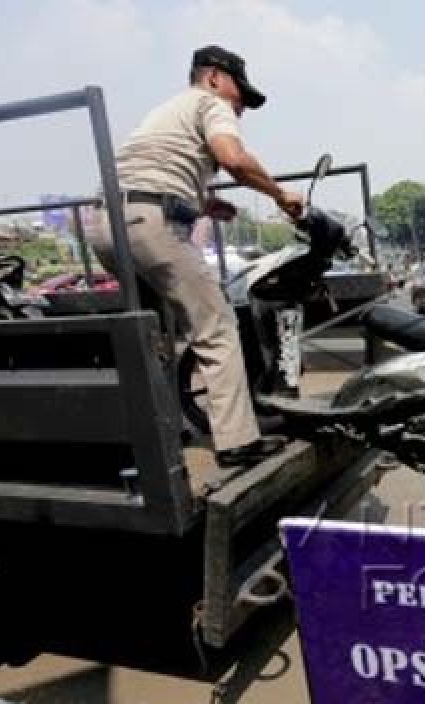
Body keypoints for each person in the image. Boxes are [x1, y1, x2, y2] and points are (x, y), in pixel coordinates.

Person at [89, 45, 305, 469]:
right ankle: (237, 442)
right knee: (217, 326)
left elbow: (152, 174)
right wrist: (281, 195)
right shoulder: (211, 102)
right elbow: (233, 159)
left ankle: (162, 431)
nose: (240, 108)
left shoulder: (165, 112)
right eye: (239, 95)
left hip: (106, 225)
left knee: (157, 337)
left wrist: (205, 205)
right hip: (150, 226)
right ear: (212, 78)